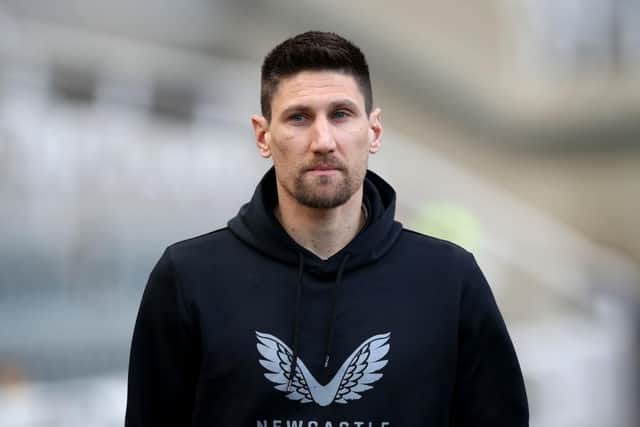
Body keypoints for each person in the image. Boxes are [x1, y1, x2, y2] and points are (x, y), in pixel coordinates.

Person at [125, 31, 528, 427]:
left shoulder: (449, 279)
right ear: (263, 135)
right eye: (299, 117)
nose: (323, 140)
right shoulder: (189, 277)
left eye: (340, 114)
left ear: (374, 131)